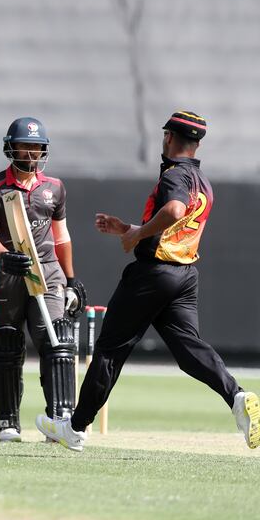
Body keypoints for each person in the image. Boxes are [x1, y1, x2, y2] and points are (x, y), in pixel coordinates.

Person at [37, 111, 260, 451]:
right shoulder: (203, 182)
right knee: (189, 350)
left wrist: (138, 234)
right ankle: (237, 396)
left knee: (110, 350)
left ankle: (75, 427)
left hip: (153, 275)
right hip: (184, 276)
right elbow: (175, 228)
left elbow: (173, 211)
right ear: (197, 143)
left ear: (169, 137)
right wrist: (127, 229)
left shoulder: (175, 175)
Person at [0, 117, 85, 442]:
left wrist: (71, 278)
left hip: (48, 272)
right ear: (11, 147)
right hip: (7, 275)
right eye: (26, 146)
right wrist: (5, 256)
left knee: (56, 339)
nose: (32, 152)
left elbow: (62, 237)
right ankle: (5, 423)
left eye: (37, 147)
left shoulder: (55, 188)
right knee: (7, 344)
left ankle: (61, 418)